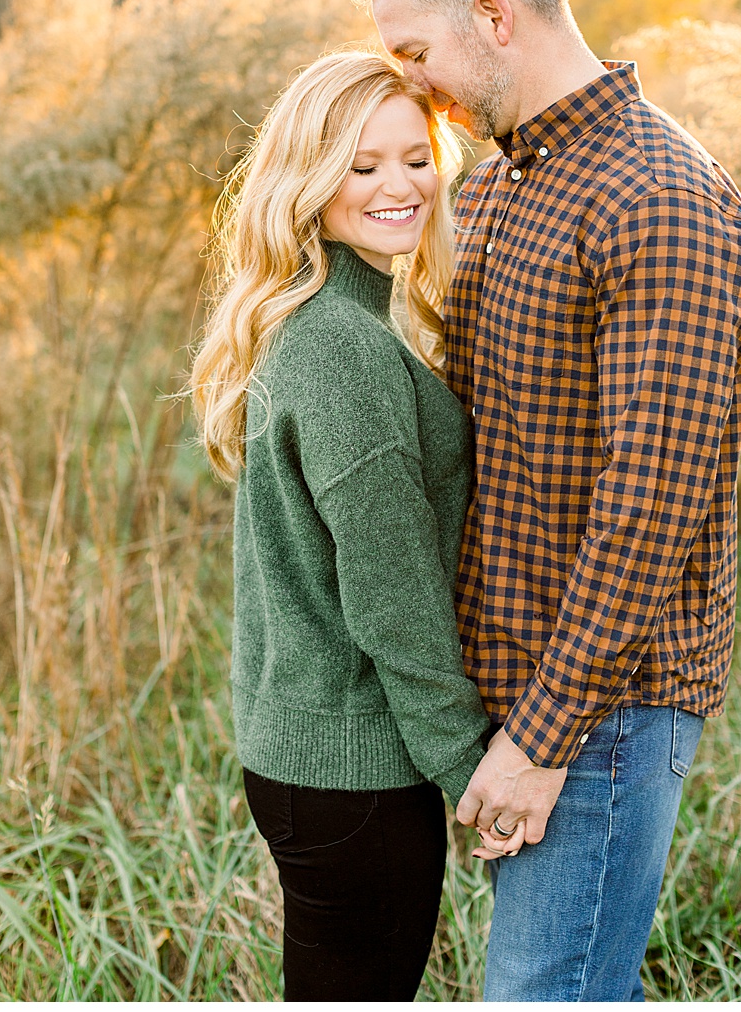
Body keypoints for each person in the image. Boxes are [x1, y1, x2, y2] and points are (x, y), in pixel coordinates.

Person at [351, 0, 741, 1002]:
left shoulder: (660, 197)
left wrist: (540, 741)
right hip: (515, 688)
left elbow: (651, 505)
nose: (411, 83)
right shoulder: (498, 183)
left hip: (600, 715)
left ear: (491, 14)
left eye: (414, 52)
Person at [189, 51, 491, 1000]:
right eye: (361, 167)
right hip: (357, 773)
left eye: (415, 157)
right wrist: (470, 768)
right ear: (308, 183)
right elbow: (388, 591)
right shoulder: (344, 352)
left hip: (306, 759)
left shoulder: (326, 321)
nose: (399, 186)